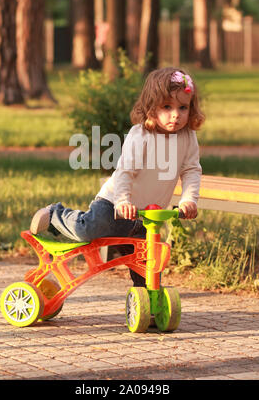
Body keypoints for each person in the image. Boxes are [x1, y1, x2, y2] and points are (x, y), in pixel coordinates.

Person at [30, 67, 205, 286]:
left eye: (183, 107)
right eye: (167, 107)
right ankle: (56, 214)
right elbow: (125, 171)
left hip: (147, 217)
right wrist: (122, 201)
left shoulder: (188, 137)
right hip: (114, 205)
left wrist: (189, 200)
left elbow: (191, 170)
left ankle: (150, 303)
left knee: (148, 262)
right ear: (152, 107)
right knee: (88, 230)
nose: (176, 115)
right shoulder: (141, 135)